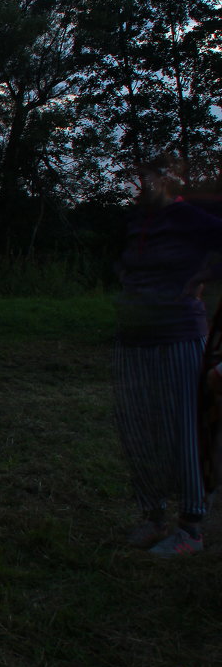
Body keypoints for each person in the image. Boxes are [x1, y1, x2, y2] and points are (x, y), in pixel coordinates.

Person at [113, 155, 222, 556]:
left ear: (164, 180)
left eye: (146, 179)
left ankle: (191, 527)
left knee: (185, 431)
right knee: (140, 429)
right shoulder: (137, 222)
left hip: (178, 336)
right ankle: (153, 517)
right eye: (133, 179)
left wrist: (203, 277)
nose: (139, 186)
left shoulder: (188, 217)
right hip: (134, 338)